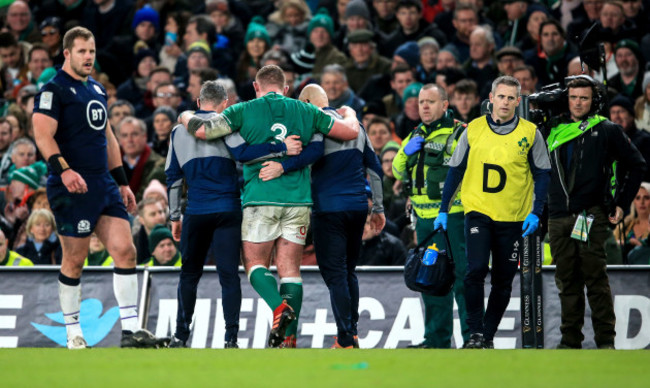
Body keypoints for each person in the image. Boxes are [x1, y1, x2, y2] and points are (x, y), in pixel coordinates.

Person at [179, 65, 361, 348]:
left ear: (256, 87)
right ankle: (288, 340)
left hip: (260, 197)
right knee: (290, 270)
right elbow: (349, 133)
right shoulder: (308, 111)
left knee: (253, 265)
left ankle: (280, 308)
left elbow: (203, 132)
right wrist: (349, 112)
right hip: (299, 200)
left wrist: (185, 114)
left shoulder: (242, 110)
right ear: (286, 89)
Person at [32, 26, 167, 349]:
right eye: (81, 51)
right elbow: (42, 135)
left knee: (125, 250)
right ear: (67, 53)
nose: (88, 56)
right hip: (70, 186)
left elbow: (108, 138)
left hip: (102, 183)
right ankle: (73, 332)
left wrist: (122, 183)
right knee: (75, 259)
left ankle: (131, 331)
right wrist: (64, 172)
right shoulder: (53, 90)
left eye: (91, 50)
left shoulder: (97, 89)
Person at [435, 76, 551, 349]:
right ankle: (475, 333)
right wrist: (444, 208)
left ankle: (486, 336)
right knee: (474, 271)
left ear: (518, 101)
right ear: (491, 97)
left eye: (512, 98)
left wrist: (536, 212)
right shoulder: (473, 129)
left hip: (514, 217)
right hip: (478, 212)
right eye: (501, 96)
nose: (506, 102)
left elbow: (543, 175)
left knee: (502, 281)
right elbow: (455, 171)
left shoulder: (530, 133)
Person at [546, 76, 646, 349]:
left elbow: (637, 165)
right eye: (573, 97)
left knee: (594, 277)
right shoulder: (552, 128)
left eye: (584, 98)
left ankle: (605, 342)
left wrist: (621, 203)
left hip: (590, 214)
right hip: (557, 217)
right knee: (567, 281)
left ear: (594, 101)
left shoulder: (606, 130)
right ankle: (570, 342)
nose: (578, 103)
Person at [165, 81, 245, 349]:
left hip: (196, 211)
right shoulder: (228, 125)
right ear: (225, 104)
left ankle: (180, 336)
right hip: (227, 209)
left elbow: (173, 177)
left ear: (198, 103)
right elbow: (246, 161)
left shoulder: (178, 132)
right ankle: (231, 339)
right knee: (229, 276)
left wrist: (175, 216)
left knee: (189, 274)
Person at [392, 83, 470, 349]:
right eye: (421, 101)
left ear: (444, 105)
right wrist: (405, 152)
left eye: (430, 101)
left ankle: (473, 338)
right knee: (432, 279)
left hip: (455, 217)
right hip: (426, 222)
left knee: (462, 277)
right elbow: (397, 170)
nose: (423, 106)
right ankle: (436, 340)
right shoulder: (415, 134)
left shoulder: (461, 133)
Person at [613, 182, 650, 260]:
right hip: (623, 268)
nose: (642, 202)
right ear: (633, 202)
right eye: (637, 198)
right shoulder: (624, 225)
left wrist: (643, 247)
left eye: (646, 197)